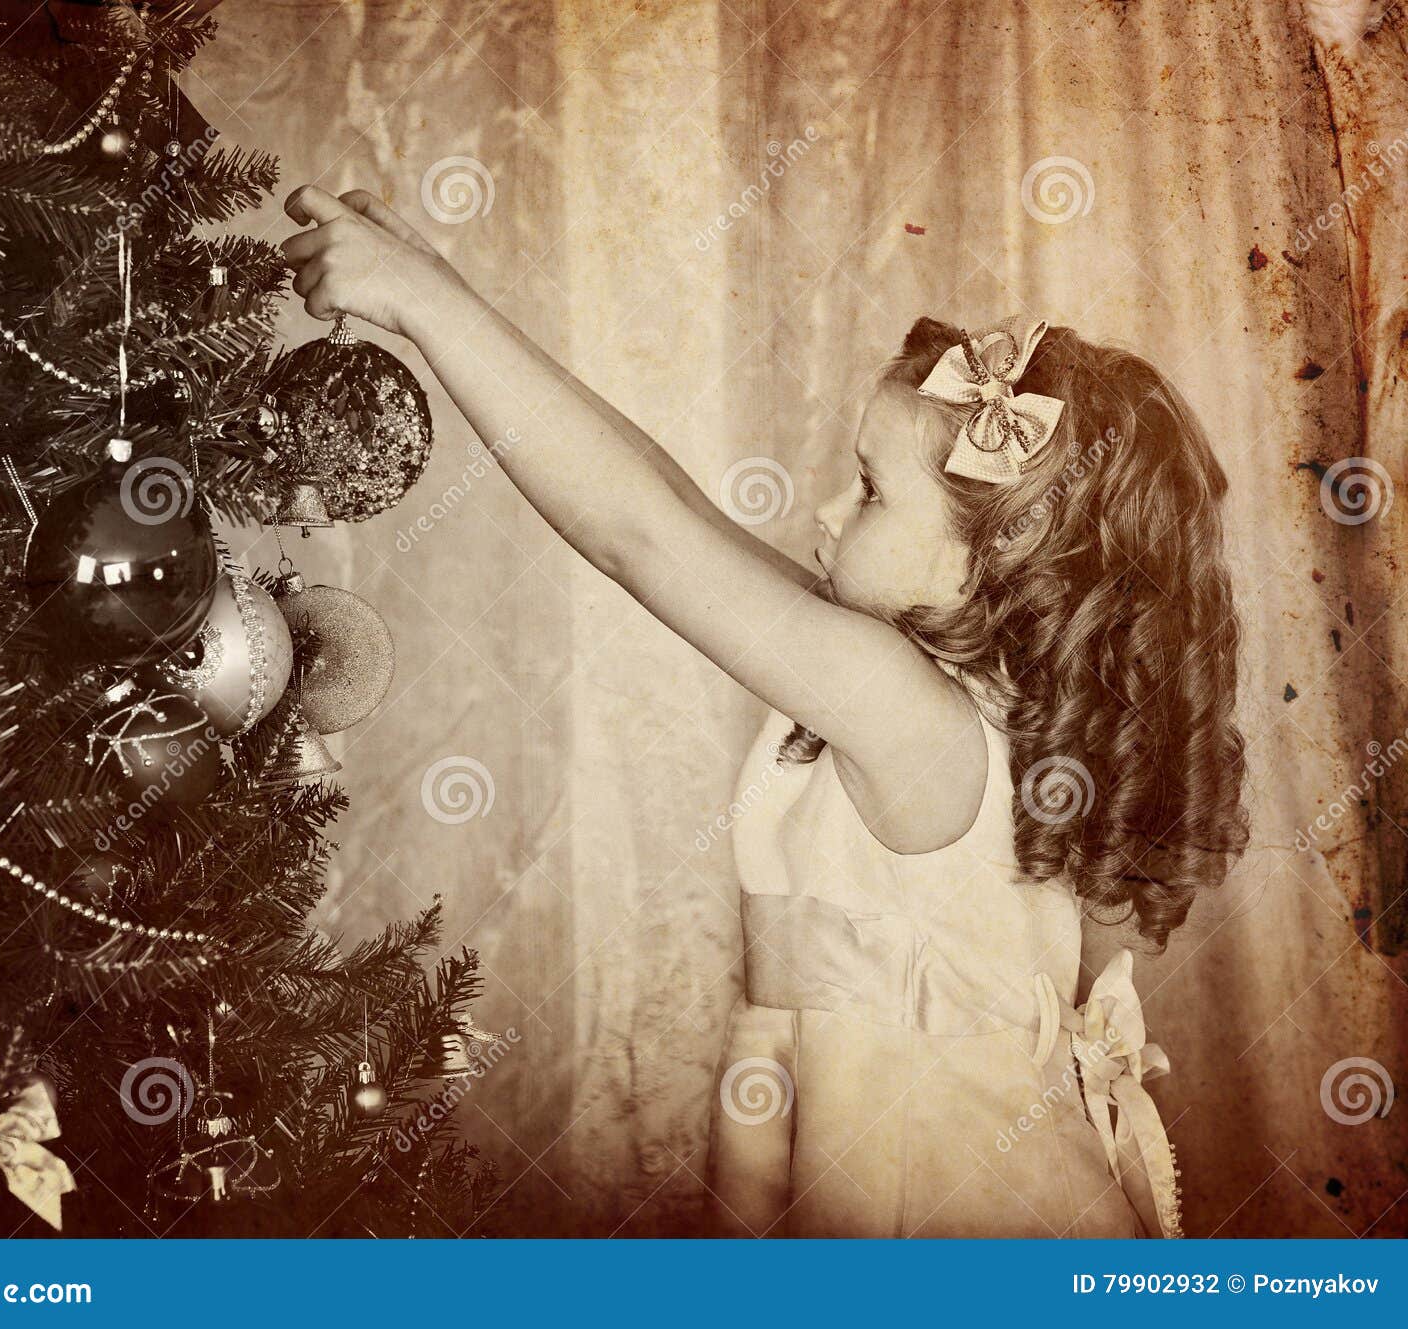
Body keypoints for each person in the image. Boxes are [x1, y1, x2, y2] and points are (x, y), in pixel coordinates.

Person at [280, 185, 1248, 1238]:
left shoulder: (903, 710)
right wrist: (444, 296)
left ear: (995, 554)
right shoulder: (932, 684)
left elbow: (636, 537)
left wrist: (426, 306)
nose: (826, 517)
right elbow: (670, 501)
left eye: (870, 492)